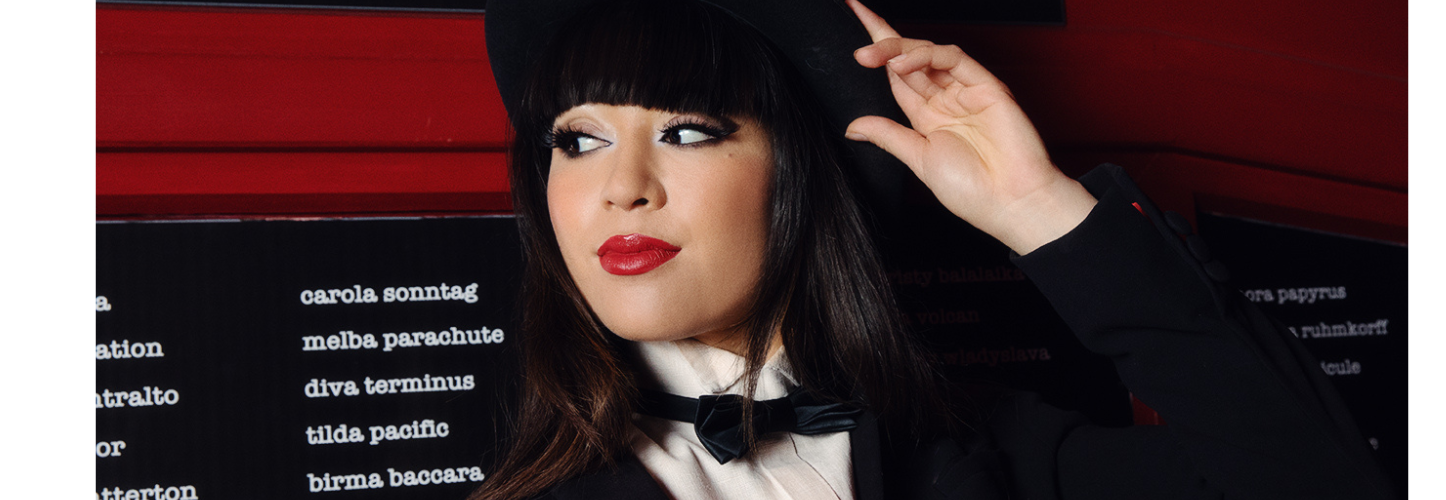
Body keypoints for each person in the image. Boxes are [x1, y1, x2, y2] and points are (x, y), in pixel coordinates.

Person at [475, 0, 1392, 498]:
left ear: (799, 176)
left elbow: (1319, 477)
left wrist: (1036, 208)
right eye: (577, 141)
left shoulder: (985, 452)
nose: (621, 186)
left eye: (687, 132)